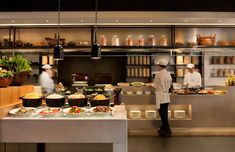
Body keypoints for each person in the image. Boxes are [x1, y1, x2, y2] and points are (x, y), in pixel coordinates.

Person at [153, 59, 172, 137]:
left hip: (160, 96)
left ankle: (167, 130)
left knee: (162, 114)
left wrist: (150, 84)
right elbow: (170, 84)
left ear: (159, 66)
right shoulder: (168, 74)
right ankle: (163, 128)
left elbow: (154, 85)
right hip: (166, 95)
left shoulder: (158, 74)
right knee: (165, 113)